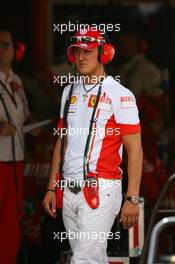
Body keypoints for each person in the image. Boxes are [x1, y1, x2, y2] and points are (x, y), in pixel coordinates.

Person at [42, 27, 143, 264]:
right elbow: (61, 140)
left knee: (84, 260)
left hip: (102, 189)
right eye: (76, 51)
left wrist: (132, 199)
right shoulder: (68, 92)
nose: (81, 57)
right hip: (69, 190)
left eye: (88, 51)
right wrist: (51, 187)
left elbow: (135, 150)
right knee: (89, 258)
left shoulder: (121, 94)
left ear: (104, 53)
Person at [0, 29, 29, 263]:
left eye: (6, 45)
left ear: (16, 50)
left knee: (13, 220)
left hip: (16, 160)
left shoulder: (17, 81)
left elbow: (23, 116)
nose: (2, 50)